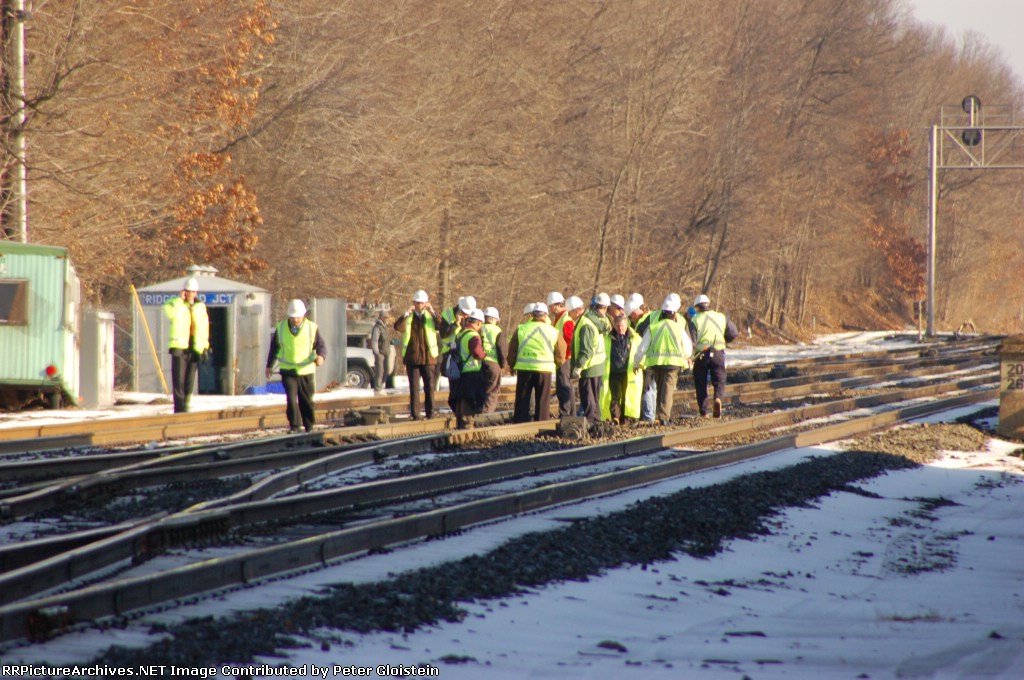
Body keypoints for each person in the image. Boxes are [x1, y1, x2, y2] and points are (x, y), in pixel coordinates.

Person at [265, 299, 326, 433]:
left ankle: (309, 426)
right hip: (288, 371)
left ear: (303, 315)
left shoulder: (312, 328)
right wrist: (269, 366)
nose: (296, 320)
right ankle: (295, 426)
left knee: (306, 401)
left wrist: (321, 357)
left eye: (298, 317)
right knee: (291, 400)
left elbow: (321, 346)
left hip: (306, 371)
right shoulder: (280, 328)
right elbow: (274, 348)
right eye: (293, 317)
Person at [635, 295, 692, 425]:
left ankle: (659, 415)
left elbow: (642, 346)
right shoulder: (679, 326)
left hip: (656, 363)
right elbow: (688, 347)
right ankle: (663, 417)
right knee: (667, 390)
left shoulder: (653, 326)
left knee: (660, 389)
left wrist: (636, 362)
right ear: (675, 313)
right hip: (673, 364)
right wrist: (685, 357)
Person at [508, 302, 564, 422]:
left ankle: (520, 423)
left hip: (524, 369)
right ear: (545, 316)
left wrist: (512, 365)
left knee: (522, 399)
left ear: (532, 315)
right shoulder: (553, 331)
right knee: (543, 400)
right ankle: (541, 423)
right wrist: (558, 364)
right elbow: (560, 352)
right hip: (544, 370)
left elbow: (512, 349)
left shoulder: (521, 329)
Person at [163, 276, 209, 413]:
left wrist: (204, 347)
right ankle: (179, 408)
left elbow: (204, 327)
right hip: (179, 347)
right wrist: (179, 300)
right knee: (178, 379)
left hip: (194, 347)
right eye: (189, 291)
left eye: (194, 292)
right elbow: (170, 314)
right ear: (184, 291)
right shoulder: (174, 304)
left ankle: (187, 404)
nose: (192, 294)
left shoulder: (200, 307)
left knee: (189, 378)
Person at [689, 293, 738, 418]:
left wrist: (689, 356)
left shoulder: (694, 320)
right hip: (718, 353)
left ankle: (704, 411)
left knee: (700, 382)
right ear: (708, 304)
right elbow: (733, 332)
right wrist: (724, 340)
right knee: (719, 379)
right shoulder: (721, 317)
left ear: (697, 307)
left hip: (701, 355)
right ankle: (718, 399)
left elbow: (692, 342)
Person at [393, 289, 439, 420]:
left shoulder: (430, 317)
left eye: (422, 303)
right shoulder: (409, 317)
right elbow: (398, 327)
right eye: (417, 303)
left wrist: (433, 312)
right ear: (413, 303)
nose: (419, 305)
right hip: (412, 359)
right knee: (414, 388)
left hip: (429, 358)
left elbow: (442, 326)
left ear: (426, 303)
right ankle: (415, 414)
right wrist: (407, 313)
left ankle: (431, 413)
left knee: (429, 387)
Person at [571, 293, 612, 425]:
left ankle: (591, 424)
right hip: (598, 366)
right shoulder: (601, 322)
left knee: (588, 398)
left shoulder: (587, 324)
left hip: (589, 367)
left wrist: (578, 367)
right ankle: (596, 423)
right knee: (594, 399)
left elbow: (586, 350)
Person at [599, 312, 643, 424]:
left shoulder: (635, 338)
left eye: (622, 326)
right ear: (614, 325)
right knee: (615, 396)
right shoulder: (607, 338)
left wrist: (641, 364)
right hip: (613, 371)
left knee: (628, 396)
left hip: (629, 373)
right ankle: (615, 417)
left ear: (627, 325)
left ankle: (626, 417)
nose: (620, 328)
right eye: (618, 326)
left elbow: (642, 353)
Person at [453, 308, 488, 429]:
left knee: (461, 398)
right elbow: (477, 353)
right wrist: (484, 355)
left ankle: (460, 423)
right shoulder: (473, 336)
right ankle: (467, 423)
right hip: (471, 372)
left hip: (461, 371)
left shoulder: (461, 333)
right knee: (469, 399)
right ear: (478, 322)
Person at [439, 295, 476, 409]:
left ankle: (463, 409)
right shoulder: (448, 315)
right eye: (465, 313)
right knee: (455, 386)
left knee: (465, 385)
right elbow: (443, 334)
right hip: (451, 355)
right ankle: (456, 408)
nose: (466, 315)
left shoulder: (471, 315)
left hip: (465, 355)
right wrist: (456, 324)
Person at [626, 293, 656, 423]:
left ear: (634, 314)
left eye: (631, 317)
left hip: (647, 361)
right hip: (656, 358)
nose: (631, 321)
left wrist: (637, 361)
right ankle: (652, 415)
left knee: (646, 389)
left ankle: (649, 418)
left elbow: (642, 345)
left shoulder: (643, 324)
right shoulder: (653, 317)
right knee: (653, 388)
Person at [547, 292, 575, 418]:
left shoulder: (566, 320)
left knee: (564, 387)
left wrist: (564, 357)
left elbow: (570, 341)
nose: (550, 309)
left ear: (557, 305)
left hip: (565, 359)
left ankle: (566, 415)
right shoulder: (560, 319)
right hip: (562, 359)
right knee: (564, 387)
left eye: (551, 306)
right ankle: (569, 414)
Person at [479, 306, 508, 413]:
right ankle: (486, 415)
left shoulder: (478, 328)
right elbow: (501, 348)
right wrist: (503, 364)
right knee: (492, 391)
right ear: (493, 319)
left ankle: (478, 412)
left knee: (481, 389)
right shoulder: (497, 331)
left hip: (479, 363)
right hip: (493, 364)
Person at [369, 311, 391, 394]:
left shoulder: (385, 327)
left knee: (387, 370)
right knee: (380, 371)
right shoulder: (377, 327)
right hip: (380, 353)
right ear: (381, 317)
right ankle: (377, 389)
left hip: (386, 352)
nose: (387, 319)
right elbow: (374, 340)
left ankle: (381, 385)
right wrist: (376, 352)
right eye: (386, 317)